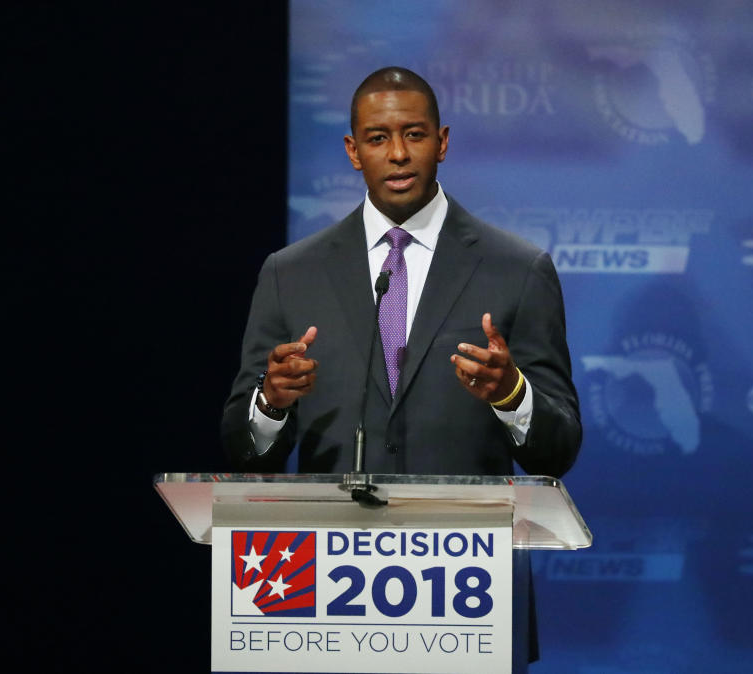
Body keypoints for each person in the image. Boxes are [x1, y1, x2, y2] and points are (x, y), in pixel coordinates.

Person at [221, 66, 582, 669]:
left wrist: (512, 394)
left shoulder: (516, 270)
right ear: (352, 150)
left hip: (468, 604)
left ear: (442, 142)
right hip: (328, 603)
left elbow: (559, 448)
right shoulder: (290, 274)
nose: (397, 154)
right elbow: (241, 448)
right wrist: (270, 403)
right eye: (377, 137)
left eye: (414, 135)